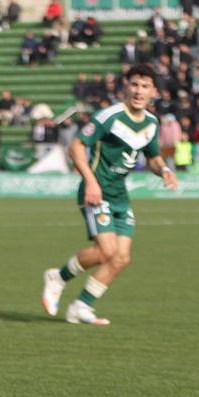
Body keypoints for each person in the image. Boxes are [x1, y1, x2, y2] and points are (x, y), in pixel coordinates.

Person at [41, 64, 178, 326]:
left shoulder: (151, 123)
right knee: (106, 251)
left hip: (119, 195)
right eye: (134, 84)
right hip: (96, 191)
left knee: (121, 258)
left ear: (154, 92)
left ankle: (81, 306)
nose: (139, 91)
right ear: (126, 86)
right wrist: (90, 182)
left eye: (145, 86)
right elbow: (77, 146)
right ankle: (57, 277)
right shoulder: (110, 117)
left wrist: (164, 171)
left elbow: (152, 157)